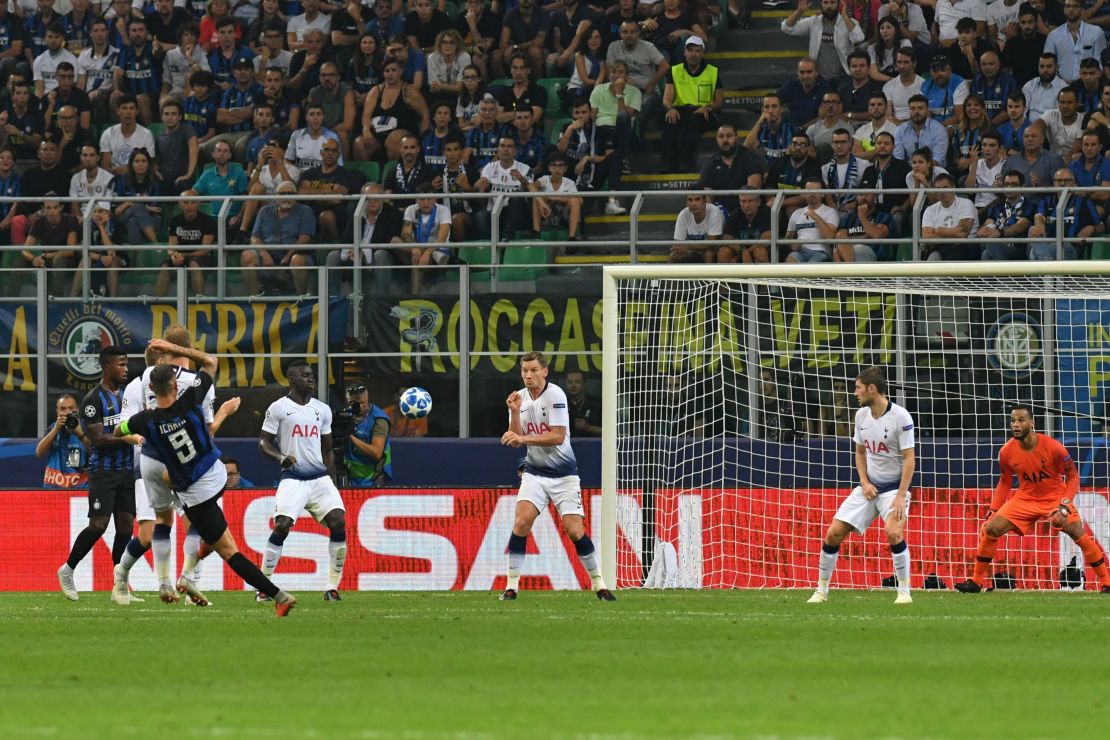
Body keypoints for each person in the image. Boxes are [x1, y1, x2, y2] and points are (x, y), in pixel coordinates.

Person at [117, 341, 297, 615]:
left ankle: (278, 596)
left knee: (225, 548)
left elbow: (120, 430)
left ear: (150, 389)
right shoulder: (190, 402)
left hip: (194, 491)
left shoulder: (146, 421)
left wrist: (134, 428)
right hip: (216, 475)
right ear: (177, 386)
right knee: (216, 542)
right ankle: (191, 576)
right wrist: (174, 348)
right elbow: (210, 361)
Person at [956, 404, 1110, 593]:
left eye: (1021, 420)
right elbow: (1004, 481)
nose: (1016, 425)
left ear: (1032, 423)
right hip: (1026, 498)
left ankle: (1107, 583)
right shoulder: (1006, 452)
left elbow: (1073, 477)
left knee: (1078, 532)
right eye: (1013, 421)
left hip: (1055, 497)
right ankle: (976, 582)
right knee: (991, 529)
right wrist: (993, 510)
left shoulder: (1053, 447)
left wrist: (1064, 506)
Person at [499, 351, 615, 602]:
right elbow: (515, 439)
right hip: (535, 473)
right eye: (524, 371)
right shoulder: (518, 398)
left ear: (544, 372)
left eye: (533, 370)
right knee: (521, 523)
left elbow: (558, 436)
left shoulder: (556, 395)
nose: (528, 375)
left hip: (564, 475)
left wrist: (521, 438)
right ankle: (511, 586)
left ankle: (599, 584)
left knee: (574, 531)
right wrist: (516, 413)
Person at [807, 366, 915, 605]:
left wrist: (900, 495)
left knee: (894, 533)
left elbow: (910, 459)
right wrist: (864, 482)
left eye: (857, 388)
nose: (854, 393)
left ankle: (904, 591)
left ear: (872, 389)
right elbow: (859, 453)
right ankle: (821, 591)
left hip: (895, 489)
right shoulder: (860, 416)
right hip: (870, 488)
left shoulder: (901, 417)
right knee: (833, 533)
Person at [258, 360, 347, 603]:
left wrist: (331, 481)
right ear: (292, 379)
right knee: (282, 525)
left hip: (319, 478)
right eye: (306, 375)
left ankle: (331, 587)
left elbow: (328, 450)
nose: (311, 379)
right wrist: (280, 457)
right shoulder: (278, 408)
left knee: (338, 522)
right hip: (293, 478)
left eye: (312, 376)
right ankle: (264, 586)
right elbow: (263, 442)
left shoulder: (323, 409)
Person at [56, 347, 135, 602]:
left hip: (126, 471)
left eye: (126, 364)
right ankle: (67, 570)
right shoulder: (93, 400)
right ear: (107, 366)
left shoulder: (127, 395)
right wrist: (130, 436)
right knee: (98, 525)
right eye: (120, 364)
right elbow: (98, 439)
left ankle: (119, 588)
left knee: (125, 526)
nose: (125, 369)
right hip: (103, 471)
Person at [244, 180, 316, 295]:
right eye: (282, 194)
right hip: (268, 255)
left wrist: (286, 259)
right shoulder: (264, 211)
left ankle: (301, 298)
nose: (286, 197)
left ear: (296, 196)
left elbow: (305, 238)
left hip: (293, 254)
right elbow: (255, 237)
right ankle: (256, 298)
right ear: (276, 196)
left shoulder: (305, 211)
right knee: (247, 256)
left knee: (298, 260)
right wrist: (265, 255)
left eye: (290, 193)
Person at [661, 36, 721, 172]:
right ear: (684, 52)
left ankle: (685, 162)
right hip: (681, 109)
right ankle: (668, 164)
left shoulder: (712, 71)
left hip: (704, 112)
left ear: (702, 53)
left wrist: (708, 107)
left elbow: (719, 101)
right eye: (690, 50)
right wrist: (670, 109)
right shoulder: (675, 71)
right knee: (670, 121)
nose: (693, 54)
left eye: (697, 50)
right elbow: (666, 99)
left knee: (692, 122)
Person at [781, 0, 866, 82]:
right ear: (821, 4)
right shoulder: (814, 21)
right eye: (825, 2)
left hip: (844, 77)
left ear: (838, 4)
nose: (829, 6)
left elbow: (859, 38)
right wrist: (799, 11)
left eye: (832, 2)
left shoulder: (848, 22)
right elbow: (786, 28)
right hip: (819, 78)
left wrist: (845, 17)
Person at [1028, 167, 1103, 259]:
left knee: (1034, 252)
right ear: (1054, 183)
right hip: (1048, 244)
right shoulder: (1046, 201)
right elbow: (1039, 216)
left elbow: (1101, 227)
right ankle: (1048, 264)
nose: (1062, 184)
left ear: (1073, 182)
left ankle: (1045, 265)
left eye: (1067, 180)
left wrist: (1091, 228)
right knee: (1033, 230)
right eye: (1059, 181)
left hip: (1071, 247)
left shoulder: (1084, 202)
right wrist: (1039, 223)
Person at [156, 189, 216, 296]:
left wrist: (184, 255)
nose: (189, 206)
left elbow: (205, 250)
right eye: (186, 202)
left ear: (198, 204)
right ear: (180, 204)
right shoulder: (175, 221)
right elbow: (172, 247)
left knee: (193, 264)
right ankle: (158, 303)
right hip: (181, 256)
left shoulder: (208, 221)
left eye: (193, 202)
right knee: (165, 266)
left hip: (201, 257)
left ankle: (200, 302)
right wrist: (174, 256)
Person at [343, 382, 393, 487]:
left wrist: (350, 437)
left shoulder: (379, 419)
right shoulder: (345, 416)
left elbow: (376, 452)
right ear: (348, 401)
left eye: (363, 403)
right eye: (354, 403)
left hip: (373, 478)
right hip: (350, 477)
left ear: (367, 398)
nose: (360, 407)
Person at [1043, 0, 1105, 84]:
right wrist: (1061, 83)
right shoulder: (1053, 35)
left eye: (1075, 6)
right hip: (1060, 86)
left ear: (1082, 9)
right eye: (1068, 6)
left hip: (1088, 85)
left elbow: (1100, 64)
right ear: (1064, 9)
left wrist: (1087, 80)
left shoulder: (1096, 32)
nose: (1071, 9)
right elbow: (1048, 64)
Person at [921, 172, 979, 260]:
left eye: (945, 187)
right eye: (938, 189)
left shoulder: (966, 204)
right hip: (941, 248)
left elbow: (962, 233)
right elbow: (926, 237)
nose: (942, 192)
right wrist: (953, 234)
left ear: (953, 188)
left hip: (966, 248)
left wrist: (938, 230)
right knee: (934, 256)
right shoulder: (930, 210)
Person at [37, 393, 89, 489]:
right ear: (57, 412)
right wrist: (55, 430)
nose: (67, 412)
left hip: (79, 489)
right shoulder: (52, 428)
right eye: (63, 409)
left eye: (71, 408)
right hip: (53, 488)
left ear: (77, 410)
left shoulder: (85, 428)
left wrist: (80, 434)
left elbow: (94, 452)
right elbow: (39, 452)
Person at [979, 169, 1035, 260]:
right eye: (1006, 184)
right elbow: (989, 222)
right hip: (996, 246)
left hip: (1017, 249)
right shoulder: (997, 206)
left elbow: (1020, 226)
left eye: (1014, 185)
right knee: (986, 253)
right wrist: (984, 230)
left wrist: (999, 232)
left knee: (990, 246)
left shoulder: (1029, 206)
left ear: (1022, 187)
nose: (1009, 188)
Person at [531, 151, 583, 240]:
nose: (557, 169)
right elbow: (533, 187)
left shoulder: (570, 183)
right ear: (549, 168)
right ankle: (536, 232)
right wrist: (543, 198)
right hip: (547, 213)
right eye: (554, 165)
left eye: (561, 166)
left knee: (575, 200)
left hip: (564, 215)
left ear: (565, 168)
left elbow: (580, 200)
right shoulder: (544, 180)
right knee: (537, 197)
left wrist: (552, 197)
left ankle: (571, 237)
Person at [784, 177, 838, 263]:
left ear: (823, 194)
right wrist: (793, 245)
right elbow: (788, 239)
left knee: (810, 268)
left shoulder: (831, 212)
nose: (812, 193)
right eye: (809, 190)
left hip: (821, 252)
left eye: (816, 190)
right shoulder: (797, 213)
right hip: (800, 251)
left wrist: (816, 217)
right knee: (789, 262)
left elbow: (830, 238)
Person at [670, 190, 723, 263]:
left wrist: (688, 246)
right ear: (686, 202)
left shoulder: (714, 211)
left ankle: (709, 274)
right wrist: (680, 249)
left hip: (711, 250)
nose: (693, 203)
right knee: (674, 256)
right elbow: (678, 244)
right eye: (690, 200)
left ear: (704, 201)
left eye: (697, 199)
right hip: (691, 251)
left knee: (708, 254)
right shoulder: (683, 214)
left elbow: (711, 244)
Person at [721, 187, 772, 263]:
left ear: (758, 202)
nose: (746, 205)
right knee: (723, 252)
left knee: (759, 252)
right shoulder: (736, 213)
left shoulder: (766, 212)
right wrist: (742, 251)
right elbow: (726, 238)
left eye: (750, 201)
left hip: (763, 250)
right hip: (741, 251)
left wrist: (747, 252)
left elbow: (766, 238)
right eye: (743, 201)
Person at [565, 370, 601, 437]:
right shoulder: (561, 404)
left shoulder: (597, 404)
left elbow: (610, 432)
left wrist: (589, 428)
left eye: (577, 382)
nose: (573, 385)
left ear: (584, 384)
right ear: (566, 384)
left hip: (592, 445)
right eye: (570, 382)